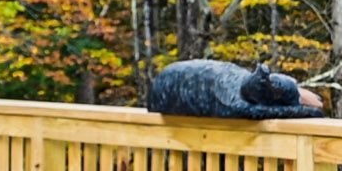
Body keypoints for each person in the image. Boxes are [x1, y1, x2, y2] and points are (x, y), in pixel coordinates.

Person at [141, 58, 329, 119]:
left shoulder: (238, 81)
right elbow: (276, 112)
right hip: (163, 93)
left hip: (163, 87)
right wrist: (308, 110)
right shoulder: (235, 102)